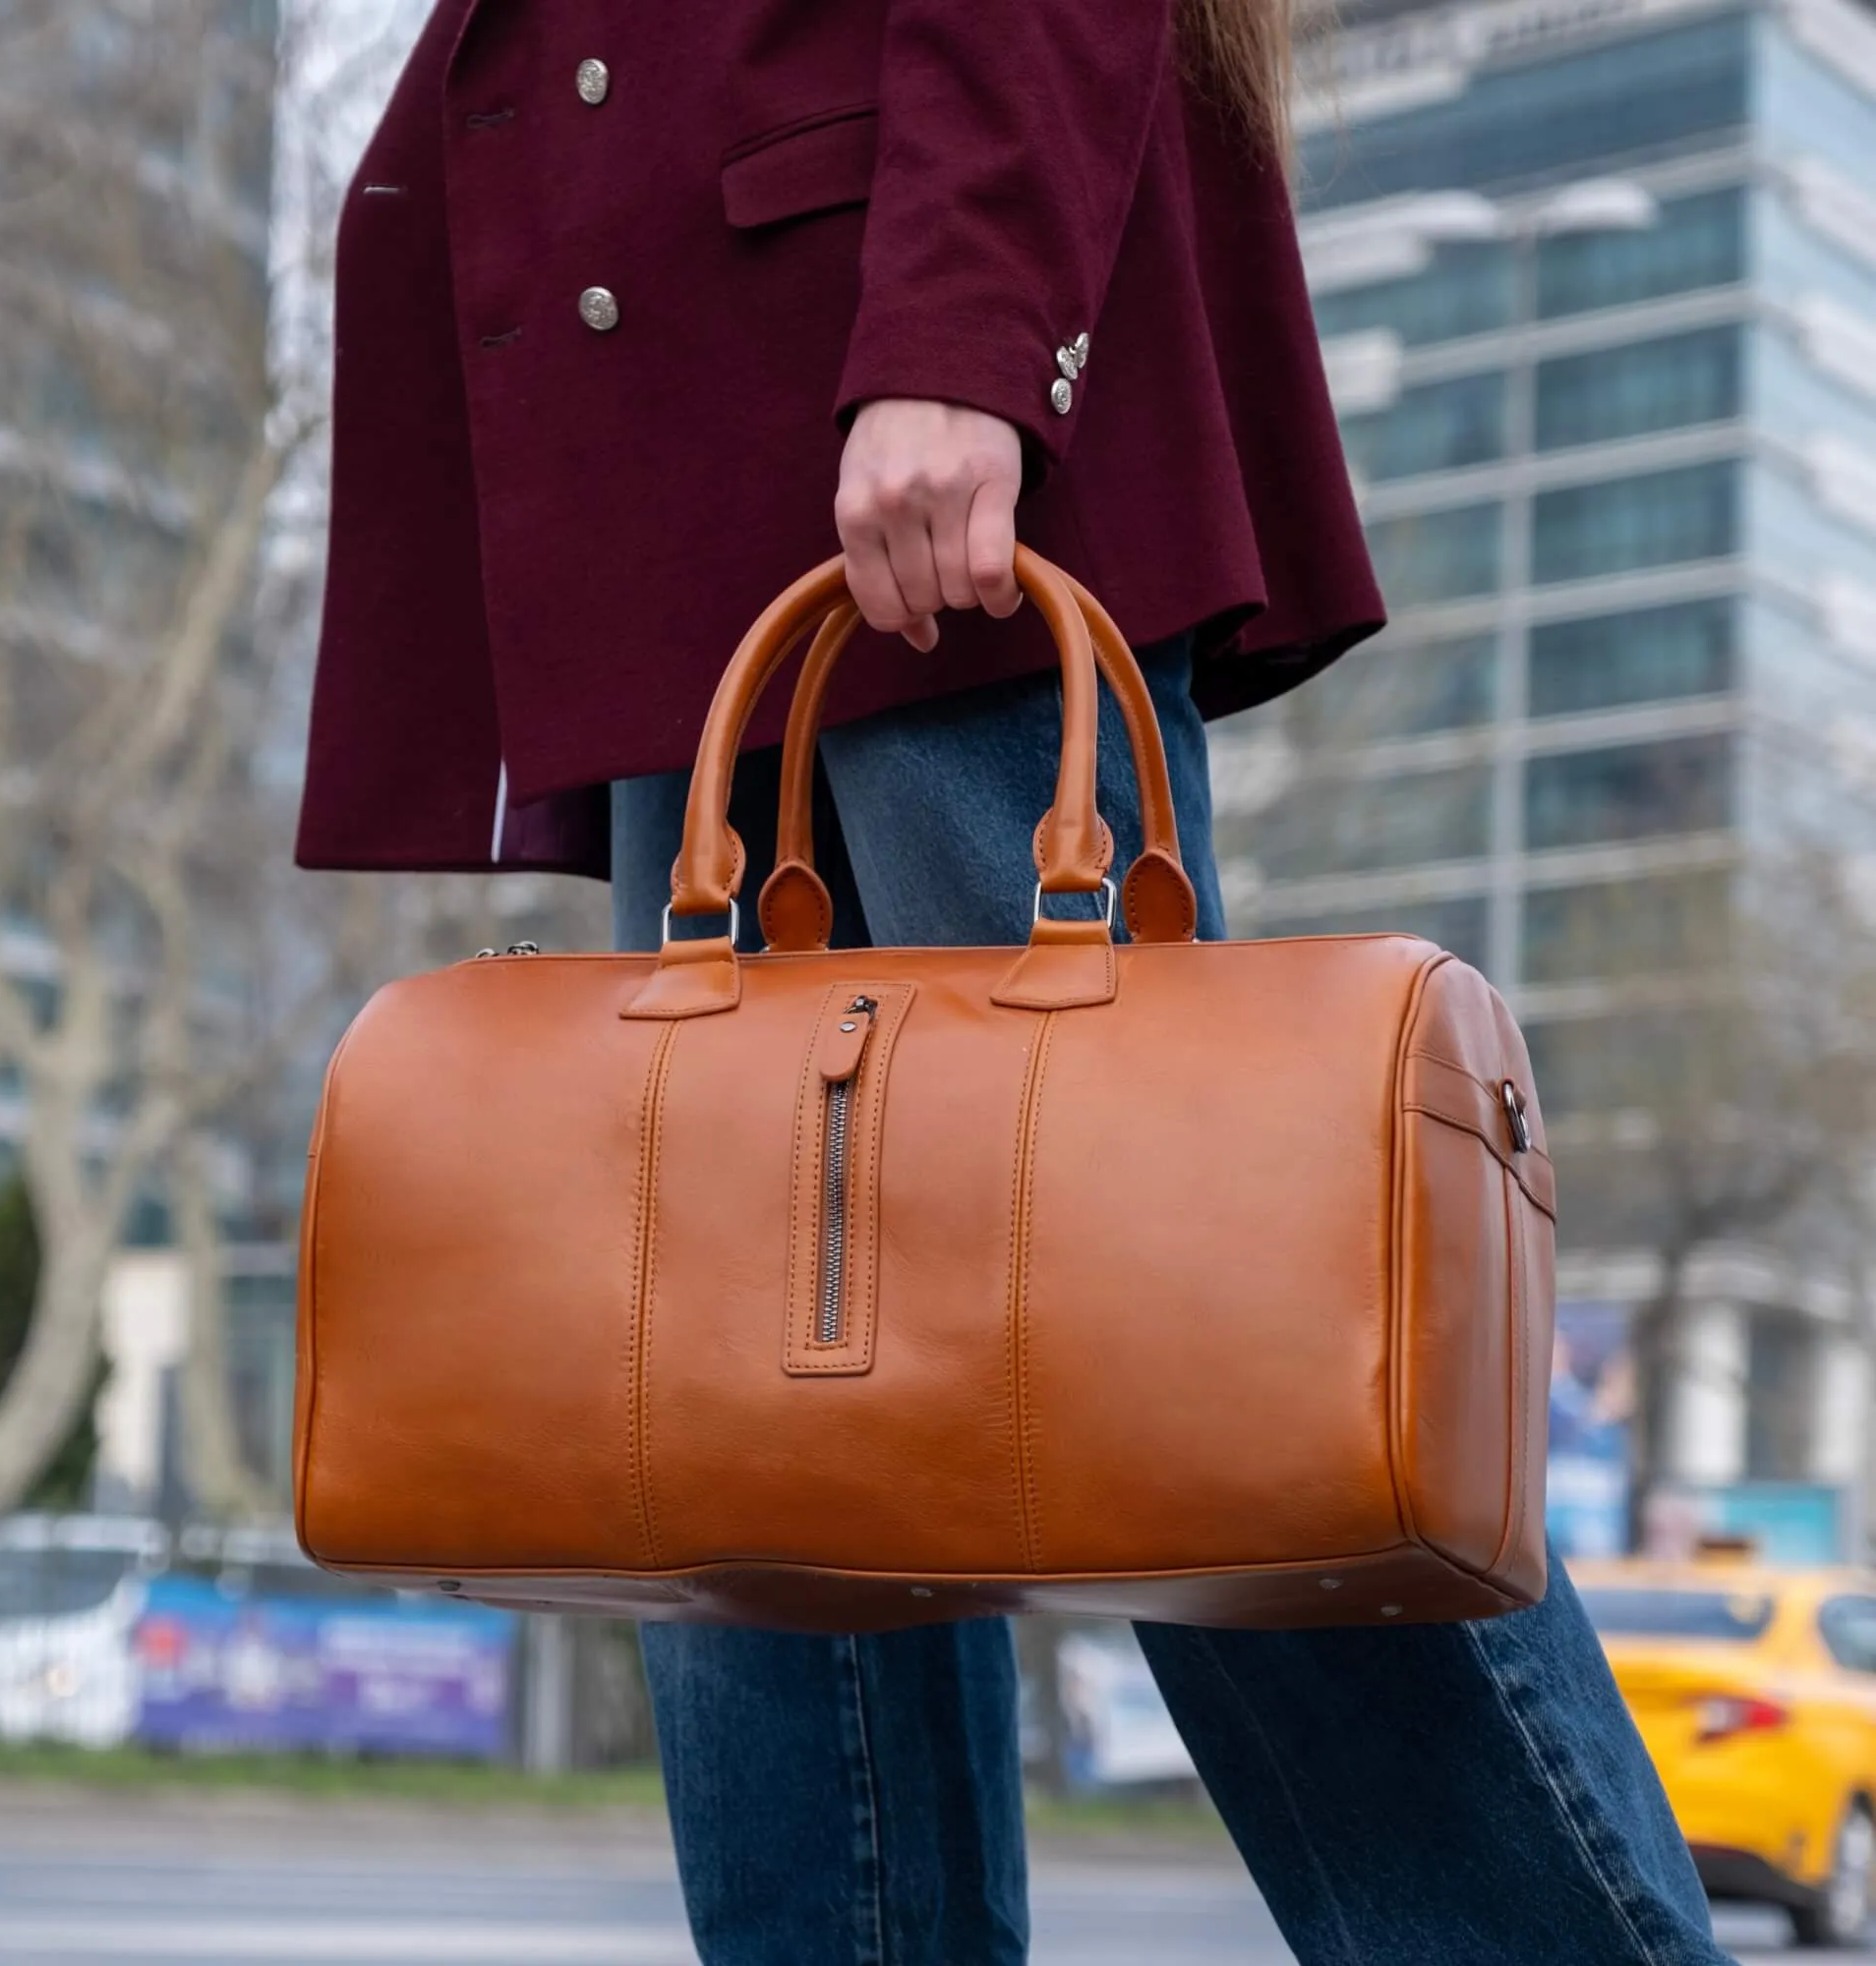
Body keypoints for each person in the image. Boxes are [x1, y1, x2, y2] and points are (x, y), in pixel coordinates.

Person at [297, 1, 1738, 1960]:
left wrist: (965, 339)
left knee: (1196, 1350)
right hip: (676, 464)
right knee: (740, 1420)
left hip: (888, 415)